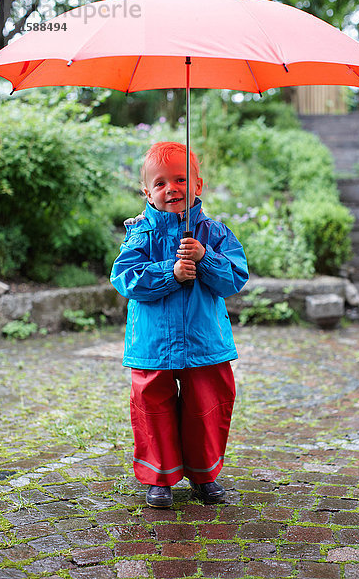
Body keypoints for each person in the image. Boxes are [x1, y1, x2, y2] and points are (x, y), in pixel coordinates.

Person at [110, 141, 249, 508]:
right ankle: (160, 477)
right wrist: (169, 273)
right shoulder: (140, 234)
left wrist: (204, 259)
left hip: (205, 342)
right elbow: (125, 279)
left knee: (207, 407)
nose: (171, 188)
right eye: (160, 183)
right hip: (152, 344)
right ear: (147, 192)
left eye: (180, 179)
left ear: (198, 185)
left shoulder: (215, 233)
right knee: (152, 409)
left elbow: (234, 278)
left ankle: (204, 474)